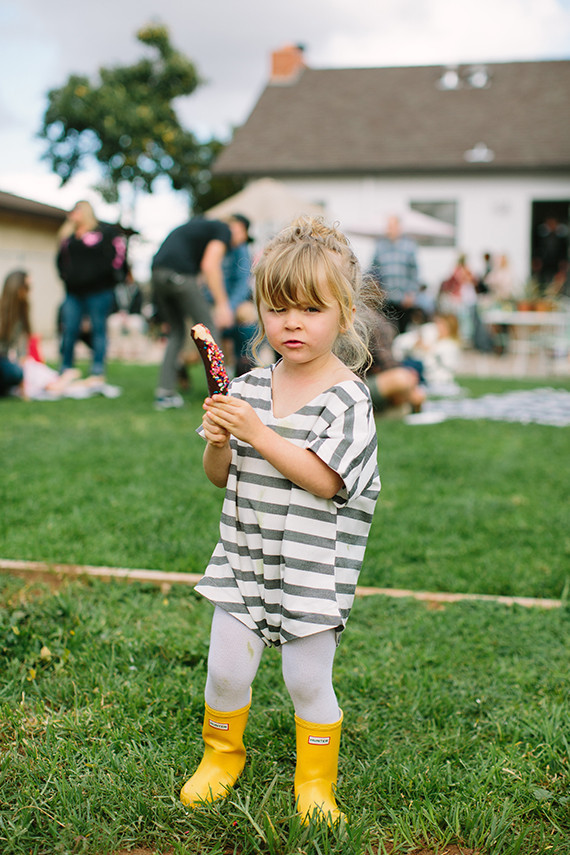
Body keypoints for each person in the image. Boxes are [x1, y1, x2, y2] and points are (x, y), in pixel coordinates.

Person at [180, 217, 381, 826]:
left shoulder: (348, 399)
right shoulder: (245, 388)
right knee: (225, 668)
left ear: (344, 315)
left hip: (310, 566)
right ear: (261, 311)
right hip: (244, 555)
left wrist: (259, 433)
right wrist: (219, 439)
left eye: (311, 309)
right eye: (277, 307)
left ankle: (315, 781)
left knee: (307, 681)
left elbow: (325, 480)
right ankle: (222, 754)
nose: (292, 322)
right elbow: (220, 474)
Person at [151, 216, 247, 410]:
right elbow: (210, 266)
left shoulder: (203, 228)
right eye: (243, 236)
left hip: (158, 273)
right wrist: (222, 305)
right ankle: (223, 394)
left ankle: (165, 393)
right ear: (238, 229)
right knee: (208, 330)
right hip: (179, 276)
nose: (239, 244)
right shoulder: (223, 229)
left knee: (177, 333)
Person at [56, 200, 127, 387]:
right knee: (69, 328)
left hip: (99, 291)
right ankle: (66, 367)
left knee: (98, 329)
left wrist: (110, 278)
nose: (72, 214)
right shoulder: (69, 237)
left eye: (76, 210)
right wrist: (67, 277)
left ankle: (97, 369)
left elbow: (117, 258)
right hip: (74, 292)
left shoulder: (103, 234)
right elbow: (60, 262)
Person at [364, 311, 426, 415]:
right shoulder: (370, 318)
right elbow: (387, 364)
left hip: (368, 380)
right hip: (357, 384)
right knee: (401, 379)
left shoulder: (373, 316)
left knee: (408, 382)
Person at [367, 214, 420, 334]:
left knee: (403, 332)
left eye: (392, 226)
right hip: (386, 298)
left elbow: (414, 271)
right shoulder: (380, 246)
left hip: (404, 298)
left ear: (399, 227)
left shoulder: (409, 246)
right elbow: (373, 269)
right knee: (387, 330)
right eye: (388, 226)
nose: (389, 229)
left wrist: (411, 293)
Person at [0, 270, 30, 396]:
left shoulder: (20, 318)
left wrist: (23, 386)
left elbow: (21, 353)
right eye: (27, 287)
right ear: (17, 288)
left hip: (4, 362)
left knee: (15, 372)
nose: (29, 291)